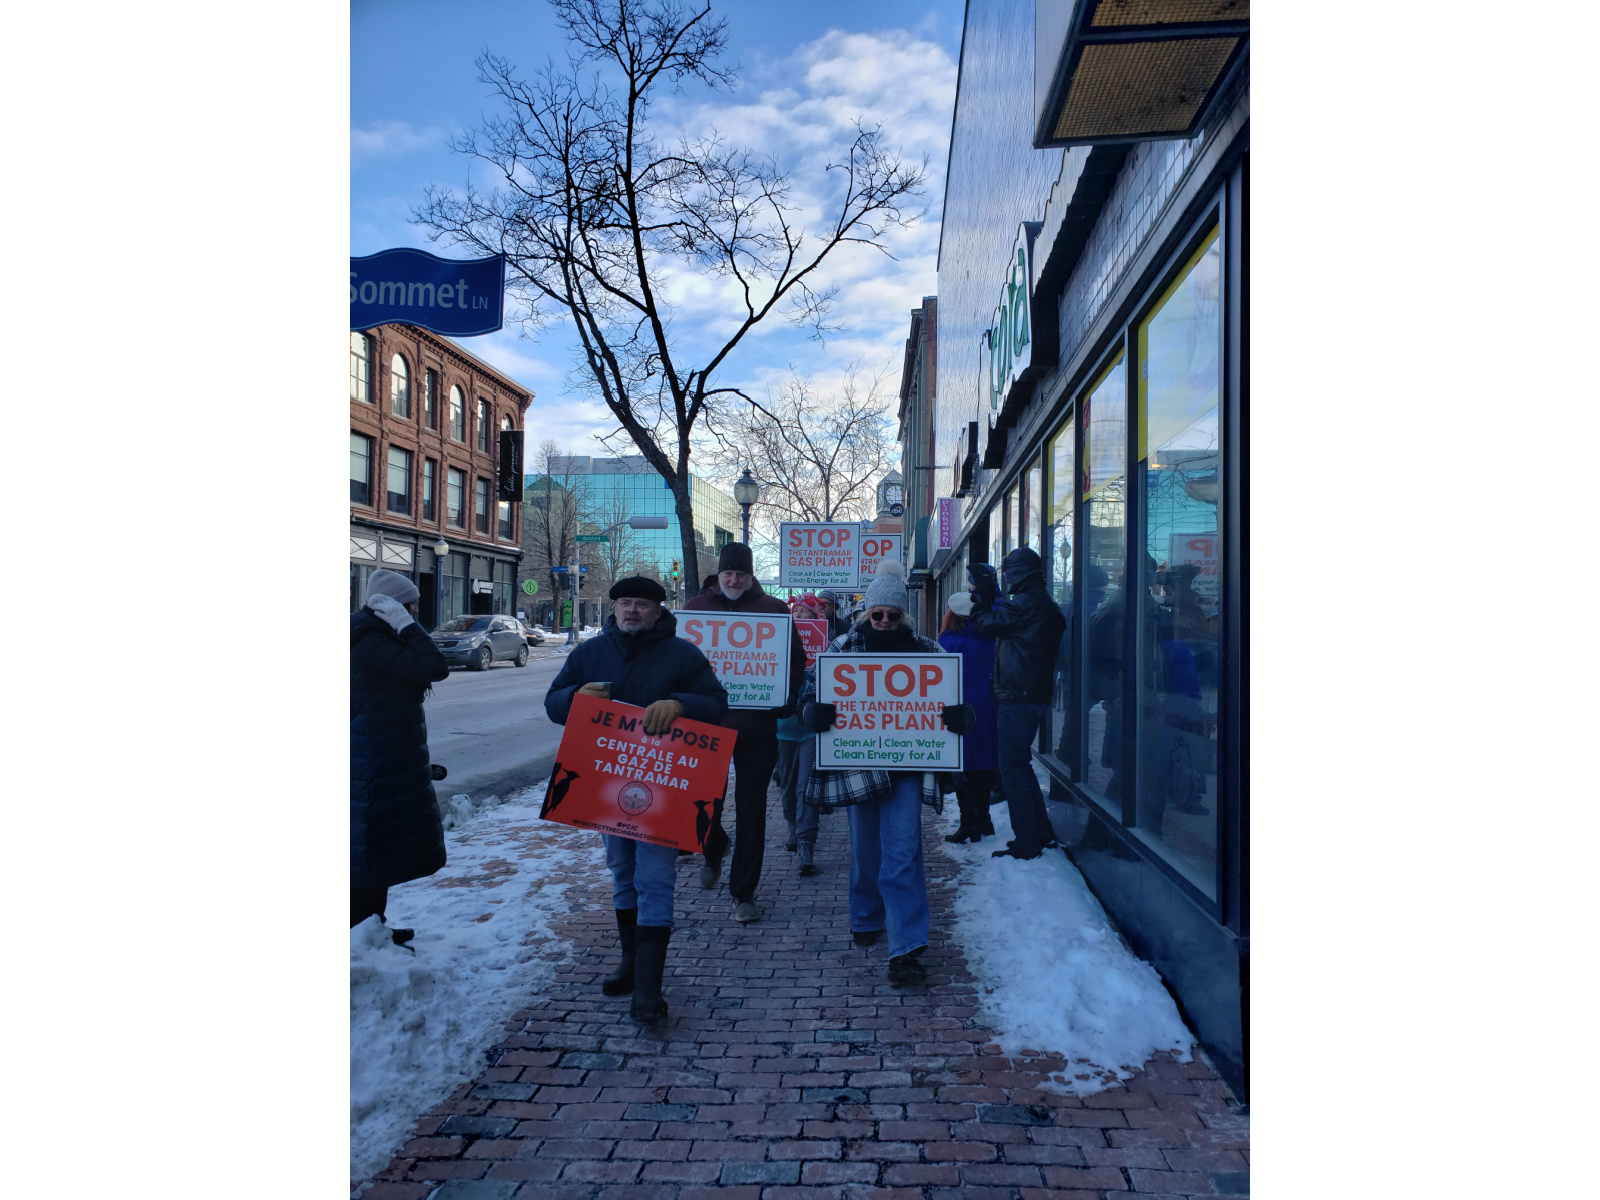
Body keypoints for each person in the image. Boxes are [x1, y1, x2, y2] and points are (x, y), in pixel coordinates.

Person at [545, 576, 729, 1024]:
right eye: (625, 603)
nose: (632, 610)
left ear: (658, 611)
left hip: (663, 789)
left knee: (655, 877)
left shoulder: (682, 654)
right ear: (614, 608)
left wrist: (681, 704)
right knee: (622, 872)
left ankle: (649, 986)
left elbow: (718, 704)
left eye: (642, 605)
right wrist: (573, 698)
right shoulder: (589, 654)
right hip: (605, 785)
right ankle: (630, 963)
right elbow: (552, 703)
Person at [797, 562, 976, 986]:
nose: (883, 622)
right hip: (858, 764)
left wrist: (959, 717)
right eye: (877, 614)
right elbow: (808, 692)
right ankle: (865, 915)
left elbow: (957, 700)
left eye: (892, 615)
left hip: (909, 769)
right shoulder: (842, 649)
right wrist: (812, 711)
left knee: (901, 854)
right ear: (866, 614)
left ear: (904, 616)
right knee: (865, 852)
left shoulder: (930, 653)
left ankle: (906, 948)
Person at [682, 542, 806, 922]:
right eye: (728, 574)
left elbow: (796, 660)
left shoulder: (773, 610)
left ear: (751, 576)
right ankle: (713, 845)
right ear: (718, 576)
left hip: (757, 727)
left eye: (741, 574)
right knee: (704, 804)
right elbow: (677, 659)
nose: (734, 579)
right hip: (708, 726)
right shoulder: (695, 610)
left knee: (752, 810)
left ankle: (744, 892)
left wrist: (786, 696)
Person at [351, 569, 450, 945]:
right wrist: (408, 625)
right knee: (367, 854)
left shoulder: (371, 635)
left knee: (376, 852)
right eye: (410, 604)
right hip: (375, 760)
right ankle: (360, 936)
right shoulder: (372, 640)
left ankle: (372, 930)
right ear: (394, 605)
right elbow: (434, 666)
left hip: (380, 755)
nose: (415, 609)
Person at [967, 548, 1068, 860]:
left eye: (1008, 572)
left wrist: (982, 595)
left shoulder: (1027, 603)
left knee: (1011, 769)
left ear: (1018, 573)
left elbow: (984, 624)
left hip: (1018, 696)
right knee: (1019, 766)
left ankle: (1028, 840)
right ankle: (1039, 832)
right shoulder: (1038, 601)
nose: (1007, 578)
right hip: (1028, 694)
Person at [938, 592, 1001, 844]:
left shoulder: (949, 641)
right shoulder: (993, 638)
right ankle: (984, 819)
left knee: (963, 765)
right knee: (985, 764)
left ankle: (968, 823)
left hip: (960, 708)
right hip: (989, 707)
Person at [775, 594, 827, 874]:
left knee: (807, 787)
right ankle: (793, 828)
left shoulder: (828, 646)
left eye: (807, 613)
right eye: (798, 612)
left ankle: (806, 842)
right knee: (787, 788)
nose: (801, 617)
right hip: (784, 727)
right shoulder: (779, 639)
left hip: (811, 729)